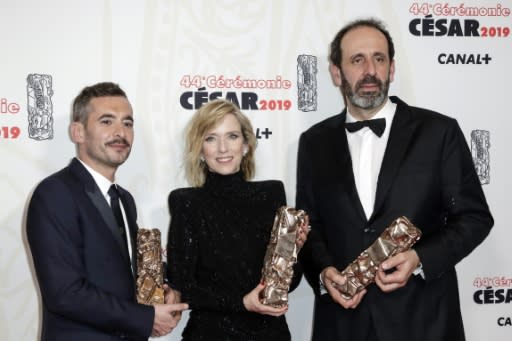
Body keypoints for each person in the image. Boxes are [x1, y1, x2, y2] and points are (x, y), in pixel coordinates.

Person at [296, 18, 493, 341]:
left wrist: (419, 258)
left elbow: (474, 218)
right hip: (343, 324)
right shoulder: (313, 142)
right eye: (357, 60)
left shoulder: (438, 133)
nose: (370, 70)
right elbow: (309, 226)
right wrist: (323, 272)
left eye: (379, 58)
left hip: (423, 321)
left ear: (392, 68)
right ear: (336, 72)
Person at [26, 82, 188, 341]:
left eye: (127, 123)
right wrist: (146, 318)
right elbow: (65, 293)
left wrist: (167, 289)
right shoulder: (54, 194)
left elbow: (127, 270)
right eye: (106, 121)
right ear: (78, 132)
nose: (120, 132)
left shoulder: (124, 199)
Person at [166, 99, 308, 340]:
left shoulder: (271, 194)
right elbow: (184, 285)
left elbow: (288, 284)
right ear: (200, 149)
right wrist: (242, 303)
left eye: (232, 136)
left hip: (268, 334)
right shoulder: (186, 202)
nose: (223, 148)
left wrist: (292, 255)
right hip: (209, 334)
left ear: (245, 145)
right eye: (211, 138)